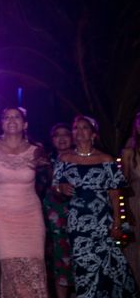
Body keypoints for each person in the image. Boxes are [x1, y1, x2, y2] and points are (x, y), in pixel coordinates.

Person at [54, 115, 137, 297]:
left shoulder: (106, 159)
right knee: (84, 267)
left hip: (102, 221)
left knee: (111, 265)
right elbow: (55, 187)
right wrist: (61, 187)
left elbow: (115, 194)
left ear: (93, 134)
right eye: (76, 128)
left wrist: (117, 223)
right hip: (78, 223)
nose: (80, 131)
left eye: (84, 128)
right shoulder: (64, 158)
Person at [0, 107, 49, 298]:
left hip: (30, 214)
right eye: (7, 117)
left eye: (16, 117)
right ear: (2, 124)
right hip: (2, 214)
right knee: (11, 267)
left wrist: (43, 163)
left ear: (25, 124)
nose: (11, 120)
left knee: (34, 266)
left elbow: (42, 161)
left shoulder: (36, 149)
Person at [42, 123, 74, 298]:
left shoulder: (83, 159)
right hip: (53, 220)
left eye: (66, 134)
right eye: (57, 135)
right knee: (59, 262)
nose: (62, 138)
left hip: (79, 219)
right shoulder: (45, 161)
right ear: (52, 140)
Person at [122, 111, 140, 284]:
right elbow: (123, 185)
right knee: (134, 250)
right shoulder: (128, 152)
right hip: (136, 203)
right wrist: (125, 210)